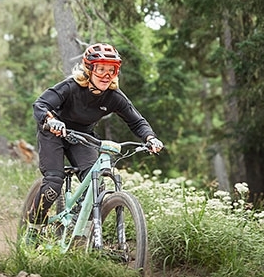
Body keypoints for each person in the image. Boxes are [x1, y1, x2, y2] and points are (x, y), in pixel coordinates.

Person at [26, 42, 164, 228]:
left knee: (96, 187)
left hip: (83, 137)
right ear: (89, 69)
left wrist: (150, 138)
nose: (106, 76)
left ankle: (78, 226)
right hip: (54, 132)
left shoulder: (114, 97)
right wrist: (50, 121)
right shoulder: (71, 87)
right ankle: (34, 226)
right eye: (101, 69)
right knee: (53, 184)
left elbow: (136, 121)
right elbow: (40, 104)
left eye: (112, 70)